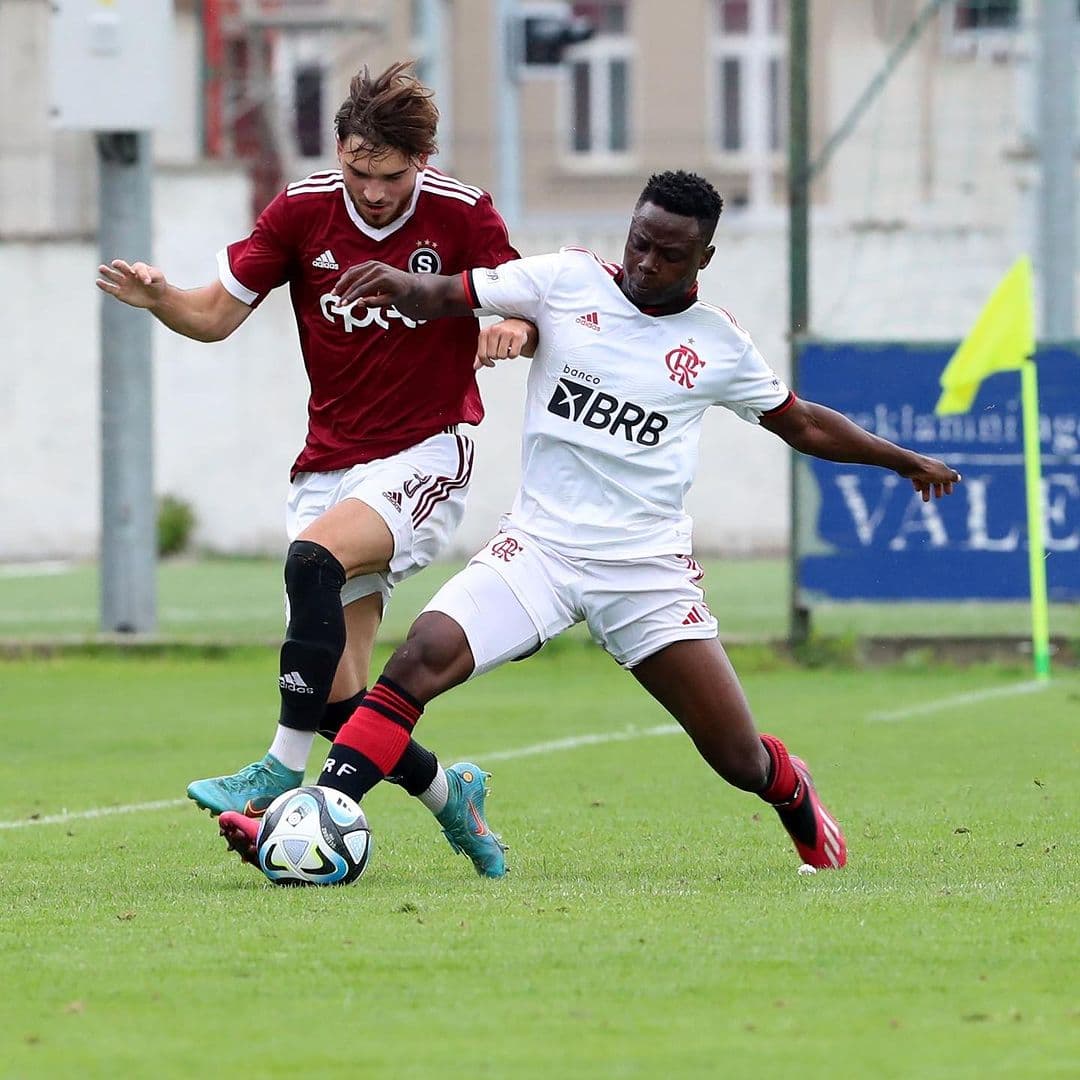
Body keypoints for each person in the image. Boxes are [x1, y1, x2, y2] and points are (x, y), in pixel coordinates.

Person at [218, 169, 963, 877]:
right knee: (421, 656)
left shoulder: (716, 344)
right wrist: (397, 284)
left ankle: (791, 793)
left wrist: (903, 461)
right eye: (639, 239)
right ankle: (309, 815)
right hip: (537, 550)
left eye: (670, 253)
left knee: (738, 758)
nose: (645, 261)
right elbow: (455, 291)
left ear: (704, 256)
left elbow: (800, 423)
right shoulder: (568, 280)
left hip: (644, 572)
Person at [96, 61, 537, 878]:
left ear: (423, 159)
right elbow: (215, 315)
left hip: (428, 450)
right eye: (359, 171)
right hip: (328, 467)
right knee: (341, 700)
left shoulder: (463, 213)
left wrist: (511, 328)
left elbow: (522, 301)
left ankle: (277, 767)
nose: (373, 192)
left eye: (392, 176)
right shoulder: (301, 210)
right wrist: (162, 299)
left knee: (312, 562)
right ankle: (453, 795)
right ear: (340, 149)